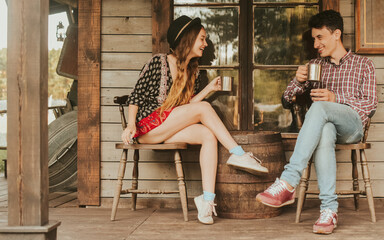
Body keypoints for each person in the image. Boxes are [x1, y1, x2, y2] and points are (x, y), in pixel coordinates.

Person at [122, 15, 269, 225]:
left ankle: (207, 202)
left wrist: (208, 89)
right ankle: (238, 153)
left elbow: (186, 108)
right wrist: (129, 125)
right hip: (147, 129)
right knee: (204, 109)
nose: (205, 43)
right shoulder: (158, 62)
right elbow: (136, 96)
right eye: (202, 38)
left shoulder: (193, 71)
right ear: (188, 40)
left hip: (167, 126)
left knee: (208, 135)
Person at [256, 10, 377, 234]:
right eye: (313, 39)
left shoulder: (363, 64)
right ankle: (329, 211)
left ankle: (288, 181)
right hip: (326, 128)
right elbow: (286, 100)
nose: (315, 44)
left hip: (353, 127)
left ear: (336, 34)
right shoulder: (315, 66)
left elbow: (370, 105)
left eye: (319, 37)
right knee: (325, 130)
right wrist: (296, 80)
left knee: (320, 107)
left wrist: (335, 98)